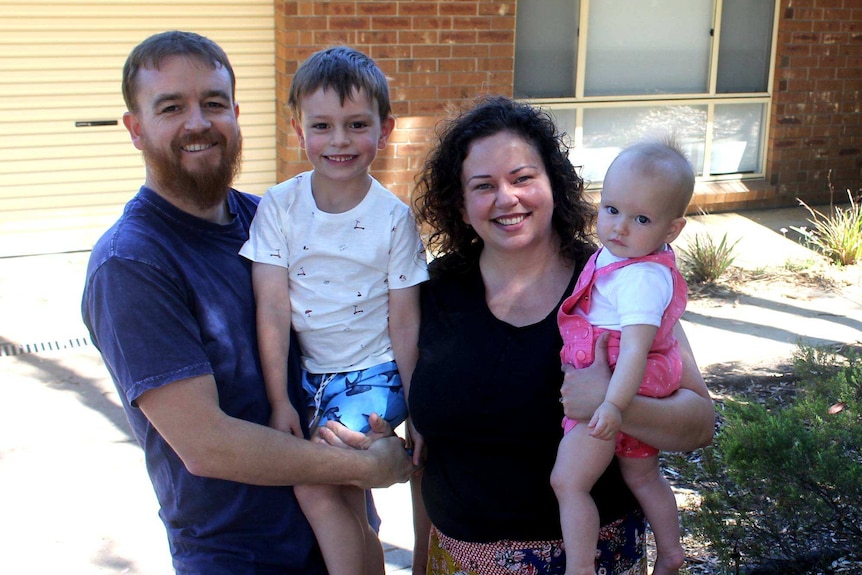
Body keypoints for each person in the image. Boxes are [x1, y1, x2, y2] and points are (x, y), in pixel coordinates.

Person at [81, 31, 414, 574]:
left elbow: (367, 319)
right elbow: (207, 443)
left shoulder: (274, 219)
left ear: (236, 114)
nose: (198, 123)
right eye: (171, 107)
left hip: (340, 534)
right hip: (241, 555)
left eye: (213, 104)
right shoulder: (133, 264)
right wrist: (365, 466)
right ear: (136, 129)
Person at [408, 95, 715, 575]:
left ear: (555, 184)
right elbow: (427, 456)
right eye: (483, 185)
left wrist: (614, 402)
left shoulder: (615, 279)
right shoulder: (435, 290)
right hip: (457, 561)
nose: (506, 198)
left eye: (523, 178)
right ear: (462, 205)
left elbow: (698, 424)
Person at [239, 46, 428, 575]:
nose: (339, 140)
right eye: (322, 125)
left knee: (316, 483)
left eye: (356, 124)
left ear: (384, 128)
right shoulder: (278, 206)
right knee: (345, 502)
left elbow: (406, 320)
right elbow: (272, 308)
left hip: (376, 376)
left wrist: (420, 410)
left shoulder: (393, 219)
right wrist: (280, 402)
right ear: (297, 128)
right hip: (311, 379)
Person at [553, 141, 694, 575]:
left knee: (569, 482)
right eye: (611, 209)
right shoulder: (621, 258)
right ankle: (670, 552)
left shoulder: (642, 278)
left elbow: (635, 347)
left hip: (619, 384)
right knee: (643, 475)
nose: (620, 228)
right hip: (624, 381)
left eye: (642, 219)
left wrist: (613, 405)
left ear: (672, 230)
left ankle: (580, 568)